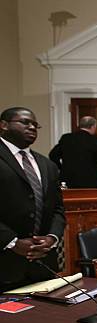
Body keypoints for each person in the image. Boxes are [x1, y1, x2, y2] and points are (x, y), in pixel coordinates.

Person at [0, 107, 65, 292]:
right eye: (25, 122)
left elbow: (58, 209)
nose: (32, 127)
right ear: (4, 125)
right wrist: (12, 242)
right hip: (5, 262)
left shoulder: (47, 165)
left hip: (42, 263)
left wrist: (51, 239)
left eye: (35, 125)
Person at [49, 116, 97, 188]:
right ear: (93, 127)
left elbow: (52, 155)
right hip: (90, 183)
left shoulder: (66, 138)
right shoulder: (95, 141)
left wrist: (62, 169)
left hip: (68, 182)